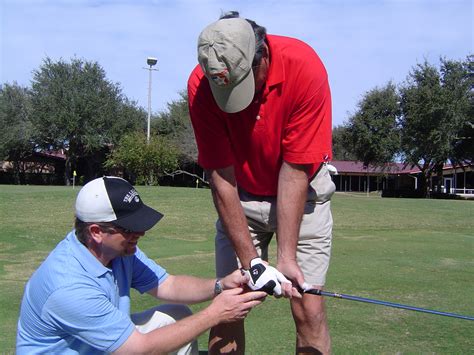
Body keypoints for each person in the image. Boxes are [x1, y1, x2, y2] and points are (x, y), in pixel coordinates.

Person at [188, 11, 336, 354]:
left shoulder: (303, 67)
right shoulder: (202, 84)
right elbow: (221, 175)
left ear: (263, 56)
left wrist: (286, 257)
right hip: (240, 198)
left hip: (306, 196)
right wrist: (252, 262)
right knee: (229, 306)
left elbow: (295, 169)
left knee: (307, 308)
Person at [16, 176, 266, 354]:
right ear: (96, 231)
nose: (141, 232)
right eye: (129, 228)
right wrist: (215, 314)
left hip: (97, 346)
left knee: (174, 315)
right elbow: (138, 349)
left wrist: (221, 285)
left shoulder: (119, 252)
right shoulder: (69, 288)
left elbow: (169, 285)